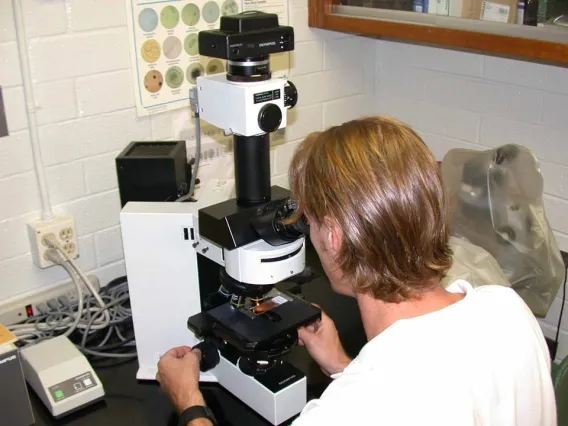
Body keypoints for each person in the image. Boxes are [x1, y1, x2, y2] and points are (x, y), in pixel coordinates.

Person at [156, 116, 557, 426]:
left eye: (308, 220)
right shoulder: (507, 309)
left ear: (333, 235)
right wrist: (341, 367)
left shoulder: (348, 411)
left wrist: (190, 402)